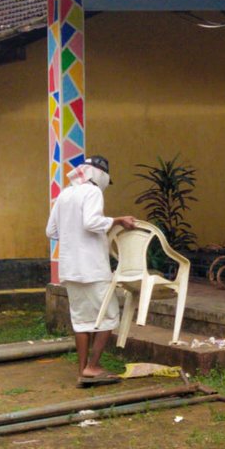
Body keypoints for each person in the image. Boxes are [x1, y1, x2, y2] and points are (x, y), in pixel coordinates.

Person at [45, 155, 137, 387]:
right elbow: (91, 222)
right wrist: (118, 220)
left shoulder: (65, 194)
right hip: (93, 267)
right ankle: (93, 366)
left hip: (70, 267)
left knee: (81, 319)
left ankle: (82, 370)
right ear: (100, 175)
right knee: (108, 315)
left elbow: (51, 231)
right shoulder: (93, 192)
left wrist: (72, 234)